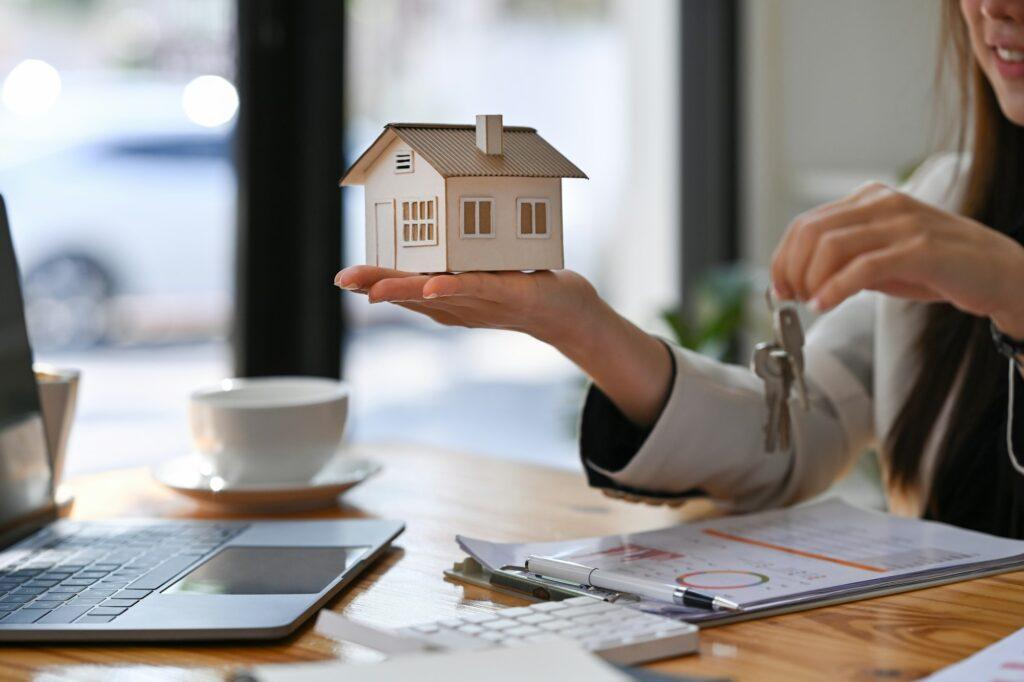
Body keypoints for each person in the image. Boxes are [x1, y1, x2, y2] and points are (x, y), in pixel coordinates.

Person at [336, 0, 1024, 538]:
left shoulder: (955, 240)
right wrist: (579, 325)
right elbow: (797, 433)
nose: (996, 7)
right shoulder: (947, 202)